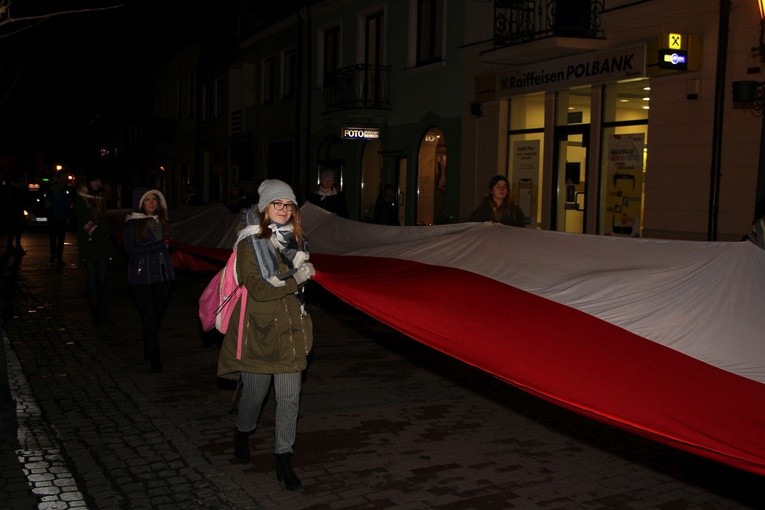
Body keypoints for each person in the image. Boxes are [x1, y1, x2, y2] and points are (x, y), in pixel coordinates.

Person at [217, 179, 315, 492]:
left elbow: (300, 282)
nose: (284, 210)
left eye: (289, 205)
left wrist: (303, 276)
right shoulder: (249, 243)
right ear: (264, 209)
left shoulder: (297, 241)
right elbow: (258, 290)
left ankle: (283, 459)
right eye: (278, 204)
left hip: (289, 329)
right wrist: (295, 279)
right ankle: (242, 432)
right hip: (259, 332)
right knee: (254, 396)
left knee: (289, 399)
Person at [124, 187, 175, 372]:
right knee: (148, 315)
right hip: (141, 277)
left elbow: (167, 246)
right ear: (141, 203)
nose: (152, 203)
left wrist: (169, 249)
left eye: (155, 199)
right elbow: (131, 249)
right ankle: (155, 354)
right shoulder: (133, 224)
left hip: (163, 276)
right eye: (148, 200)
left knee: (156, 314)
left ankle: (148, 340)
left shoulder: (163, 222)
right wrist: (159, 246)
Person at [75, 177, 115, 323]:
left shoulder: (101, 197)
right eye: (95, 180)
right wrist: (104, 230)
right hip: (90, 243)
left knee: (102, 276)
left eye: (100, 180)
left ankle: (99, 298)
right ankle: (94, 305)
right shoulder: (82, 200)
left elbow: (106, 218)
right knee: (92, 274)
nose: (98, 183)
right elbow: (84, 222)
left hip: (102, 243)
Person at [48, 173, 73, 269]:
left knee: (53, 237)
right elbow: (68, 202)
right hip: (61, 217)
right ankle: (58, 257)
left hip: (54, 217)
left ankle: (54, 255)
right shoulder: (64, 189)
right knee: (60, 238)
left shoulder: (52, 188)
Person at [6, 177, 27, 256]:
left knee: (12, 232)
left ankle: (10, 247)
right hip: (16, 214)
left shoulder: (10, 190)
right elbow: (19, 203)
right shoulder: (16, 190)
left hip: (13, 214)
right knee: (18, 232)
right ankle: (17, 247)